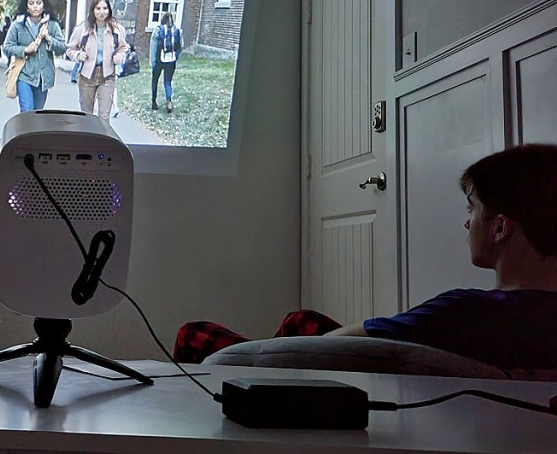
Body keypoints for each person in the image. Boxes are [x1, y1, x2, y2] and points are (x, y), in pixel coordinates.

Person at [174, 143, 557, 370]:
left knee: (193, 334)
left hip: (311, 375)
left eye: (471, 209)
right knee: (302, 319)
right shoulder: (534, 318)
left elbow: (327, 348)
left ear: (500, 227)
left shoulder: (466, 312)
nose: (466, 222)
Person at [65, 0, 129, 121]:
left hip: (107, 75)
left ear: (109, 10)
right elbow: (70, 49)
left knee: (104, 117)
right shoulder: (82, 29)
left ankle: (103, 141)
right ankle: (87, 141)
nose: (102, 12)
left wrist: (119, 56)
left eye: (105, 8)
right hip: (87, 76)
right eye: (98, 8)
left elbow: (124, 48)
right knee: (86, 116)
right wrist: (78, 55)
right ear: (93, 10)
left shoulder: (117, 29)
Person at [2, 0, 68, 113]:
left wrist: (48, 38)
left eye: (38, 3)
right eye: (31, 3)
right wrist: (24, 50)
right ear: (26, 7)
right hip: (24, 74)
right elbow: (7, 46)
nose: (35, 6)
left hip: (43, 77)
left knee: (37, 114)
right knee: (26, 111)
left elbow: (63, 47)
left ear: (44, 5)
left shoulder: (52, 25)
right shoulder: (18, 24)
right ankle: (23, 132)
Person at [149, 12, 181, 113]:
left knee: (155, 81)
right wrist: (176, 57)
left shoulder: (158, 30)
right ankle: (169, 101)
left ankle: (154, 102)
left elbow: (153, 46)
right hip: (171, 60)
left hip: (159, 59)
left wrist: (152, 60)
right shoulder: (176, 30)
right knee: (168, 82)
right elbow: (180, 45)